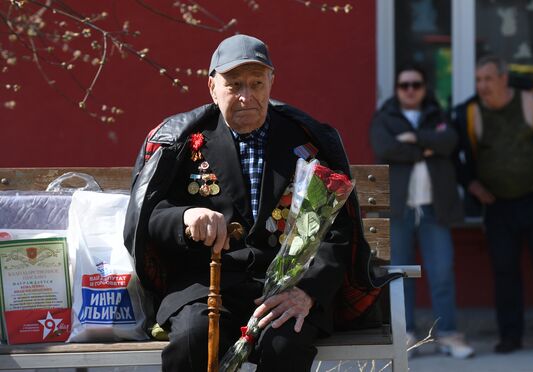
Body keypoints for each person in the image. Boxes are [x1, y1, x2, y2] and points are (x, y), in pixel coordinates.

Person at [123, 34, 375, 371]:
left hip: (286, 289)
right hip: (206, 285)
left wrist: (308, 292)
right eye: (234, 84)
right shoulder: (183, 142)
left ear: (272, 82)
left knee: (284, 345)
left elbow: (336, 231)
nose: (247, 96)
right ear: (212, 87)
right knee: (194, 340)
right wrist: (186, 217)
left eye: (257, 83)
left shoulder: (306, 140)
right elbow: (150, 218)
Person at [370, 64, 474, 358]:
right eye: (405, 85)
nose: (411, 90)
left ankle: (449, 334)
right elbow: (385, 147)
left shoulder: (439, 116)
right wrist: (427, 147)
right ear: (397, 90)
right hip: (399, 210)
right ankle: (407, 336)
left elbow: (449, 141)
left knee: (442, 273)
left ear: (425, 88)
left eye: (416, 84)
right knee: (399, 274)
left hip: (434, 209)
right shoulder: (385, 118)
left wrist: (413, 139)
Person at [454, 55, 533, 353]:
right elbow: (453, 154)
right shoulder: (467, 113)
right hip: (497, 206)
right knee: (504, 270)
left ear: (504, 79)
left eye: (488, 79)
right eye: (478, 80)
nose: (482, 86)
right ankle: (510, 336)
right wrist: (470, 183)